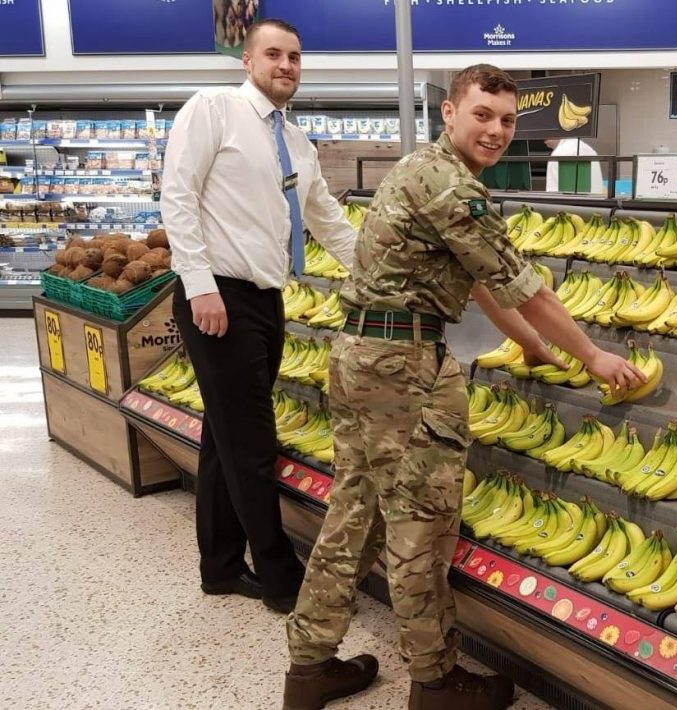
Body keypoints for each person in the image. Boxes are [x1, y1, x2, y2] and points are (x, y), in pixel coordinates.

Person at [282, 64, 646, 710]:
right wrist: (593, 356)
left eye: (507, 120)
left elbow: (480, 281)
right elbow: (523, 282)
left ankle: (309, 668)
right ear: (449, 114)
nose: (497, 130)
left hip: (359, 353)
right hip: (404, 370)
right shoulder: (454, 186)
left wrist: (533, 343)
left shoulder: (423, 171)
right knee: (420, 525)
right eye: (483, 114)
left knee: (353, 514)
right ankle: (436, 680)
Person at [161, 19, 357, 615]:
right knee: (251, 442)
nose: (287, 66)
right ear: (247, 60)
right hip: (217, 297)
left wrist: (378, 275)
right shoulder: (213, 110)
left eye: (295, 57)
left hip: (266, 300)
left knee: (226, 438)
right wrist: (199, 285)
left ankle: (219, 567)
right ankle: (281, 580)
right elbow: (178, 193)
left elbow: (328, 222)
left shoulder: (298, 143)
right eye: (274, 54)